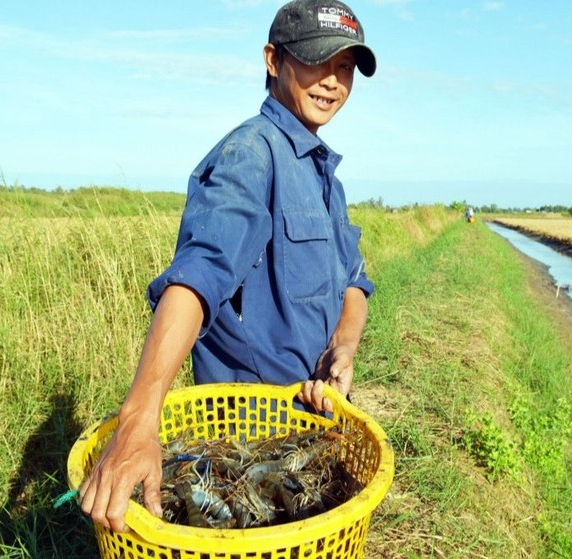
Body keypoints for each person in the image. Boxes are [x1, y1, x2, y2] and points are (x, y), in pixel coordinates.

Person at [79, 0, 377, 533]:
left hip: (313, 427)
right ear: (272, 59)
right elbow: (197, 278)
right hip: (244, 443)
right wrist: (139, 420)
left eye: (345, 68)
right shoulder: (251, 155)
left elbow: (354, 282)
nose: (333, 81)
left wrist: (343, 348)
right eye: (317, 61)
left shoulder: (323, 173)